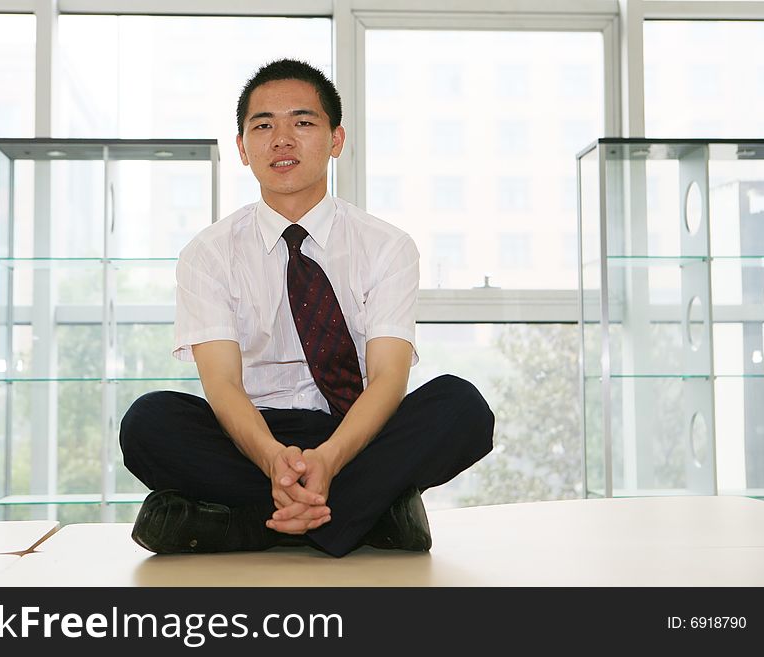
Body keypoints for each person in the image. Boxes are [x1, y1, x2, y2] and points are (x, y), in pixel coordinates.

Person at [119, 58, 494, 558]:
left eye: (302, 122)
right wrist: (275, 458)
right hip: (251, 435)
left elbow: (387, 378)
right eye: (263, 125)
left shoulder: (387, 246)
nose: (282, 139)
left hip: (354, 429)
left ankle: (253, 524)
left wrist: (331, 459)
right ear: (242, 149)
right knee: (148, 422)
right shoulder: (207, 253)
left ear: (336, 140)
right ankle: (369, 514)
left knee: (462, 407)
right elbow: (223, 386)